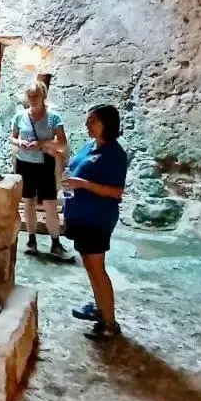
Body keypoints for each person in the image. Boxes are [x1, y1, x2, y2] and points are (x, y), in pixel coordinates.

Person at [63, 105, 129, 341]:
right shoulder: (91, 146)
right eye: (87, 120)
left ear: (107, 124)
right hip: (82, 215)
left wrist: (84, 185)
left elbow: (116, 191)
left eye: (93, 121)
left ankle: (109, 322)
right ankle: (100, 308)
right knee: (90, 265)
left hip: (97, 218)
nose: (88, 125)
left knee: (97, 267)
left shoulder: (114, 154)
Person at [10, 80, 70, 258]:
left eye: (35, 96)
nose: (32, 99)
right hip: (25, 163)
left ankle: (56, 243)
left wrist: (41, 143)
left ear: (43, 96)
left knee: (50, 204)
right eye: (29, 96)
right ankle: (31, 240)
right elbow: (12, 138)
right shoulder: (20, 117)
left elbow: (62, 142)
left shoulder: (53, 118)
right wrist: (20, 142)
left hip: (45, 164)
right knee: (28, 202)